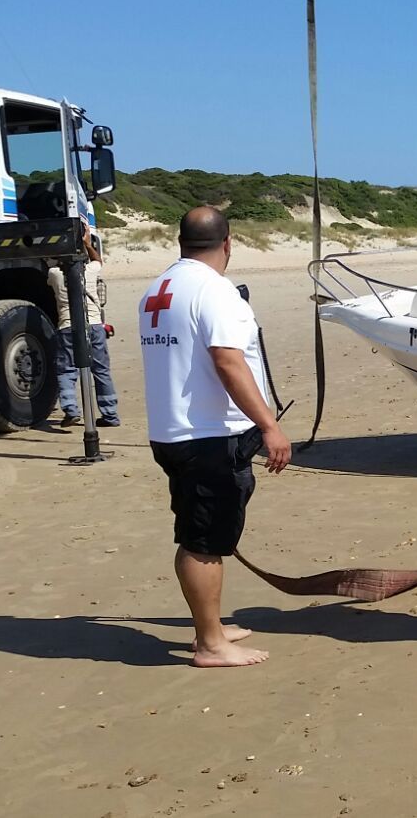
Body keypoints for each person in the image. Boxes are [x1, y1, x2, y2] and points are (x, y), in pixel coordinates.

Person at [139, 207, 290, 668]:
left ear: (180, 242)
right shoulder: (215, 290)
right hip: (207, 435)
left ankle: (212, 626)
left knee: (201, 531)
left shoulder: (159, 288)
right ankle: (210, 643)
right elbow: (227, 360)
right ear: (228, 243)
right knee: (203, 541)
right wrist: (269, 425)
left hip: (172, 431)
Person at [48, 223, 120, 427]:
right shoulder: (90, 271)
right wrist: (88, 244)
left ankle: (71, 409)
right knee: (101, 371)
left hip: (67, 326)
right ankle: (110, 414)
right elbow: (98, 260)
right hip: (94, 325)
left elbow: (50, 261)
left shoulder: (54, 274)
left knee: (67, 370)